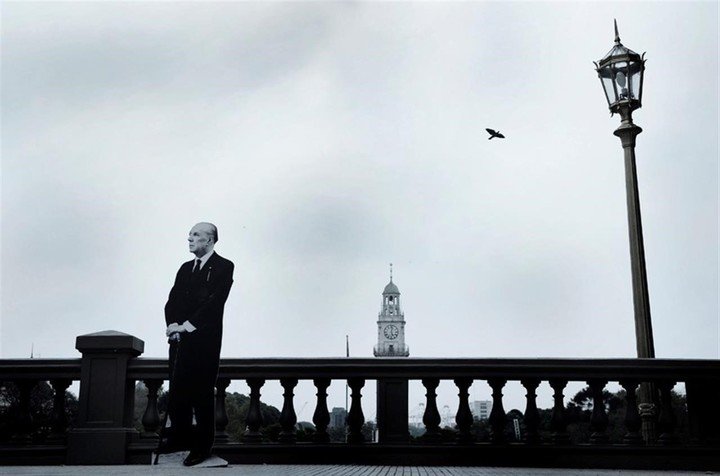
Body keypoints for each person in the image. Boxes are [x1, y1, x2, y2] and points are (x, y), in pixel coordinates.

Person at [164, 222, 234, 466]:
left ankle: (202, 447)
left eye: (196, 235)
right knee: (178, 390)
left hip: (205, 341)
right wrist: (172, 326)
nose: (189, 239)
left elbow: (214, 304)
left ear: (210, 240)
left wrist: (187, 326)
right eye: (190, 234)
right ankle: (179, 438)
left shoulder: (225, 267)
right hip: (179, 340)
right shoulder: (184, 268)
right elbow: (172, 300)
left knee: (202, 393)